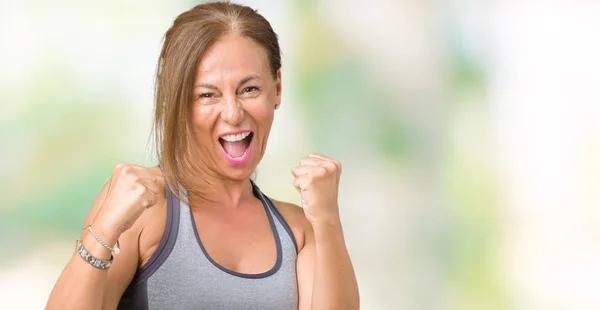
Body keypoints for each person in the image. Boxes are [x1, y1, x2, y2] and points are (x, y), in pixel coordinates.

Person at [46, 2, 359, 309]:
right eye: (207, 95)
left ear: (276, 88)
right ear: (178, 102)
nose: (233, 114)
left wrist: (328, 219)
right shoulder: (144, 207)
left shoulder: (298, 231)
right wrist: (104, 229)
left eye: (249, 89)